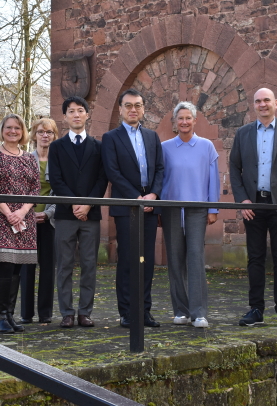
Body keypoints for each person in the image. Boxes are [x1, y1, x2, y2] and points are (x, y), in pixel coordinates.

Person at [229, 88, 277, 327]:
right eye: (258, 101)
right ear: (254, 105)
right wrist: (242, 200)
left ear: (275, 103)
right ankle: (256, 309)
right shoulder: (243, 134)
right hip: (253, 205)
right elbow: (234, 168)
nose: (262, 105)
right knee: (255, 258)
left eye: (266, 101)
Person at [101, 88, 164, 328]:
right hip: (127, 207)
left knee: (146, 261)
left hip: (150, 204)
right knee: (128, 260)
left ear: (143, 109)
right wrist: (137, 197)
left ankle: (144, 310)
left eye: (137, 105)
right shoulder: (111, 138)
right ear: (120, 109)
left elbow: (160, 168)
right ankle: (127, 311)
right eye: (128, 105)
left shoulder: (152, 136)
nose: (133, 109)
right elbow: (112, 173)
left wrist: (153, 195)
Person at [48, 96, 108, 328]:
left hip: (91, 215)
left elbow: (102, 178)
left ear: (87, 114)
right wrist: (74, 204)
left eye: (80, 110)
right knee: (64, 264)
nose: (76, 114)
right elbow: (56, 179)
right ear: (65, 117)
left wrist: (88, 205)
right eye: (71, 111)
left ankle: (85, 311)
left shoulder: (98, 146)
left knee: (89, 264)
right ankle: (66, 312)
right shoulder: (57, 146)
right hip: (65, 214)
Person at [160, 101, 219, 328]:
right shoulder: (165, 148)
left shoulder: (207, 147)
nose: (184, 122)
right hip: (172, 210)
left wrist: (212, 209)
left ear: (195, 120)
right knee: (175, 261)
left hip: (197, 210)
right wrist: (159, 210)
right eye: (180, 118)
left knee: (195, 258)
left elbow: (212, 180)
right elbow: (161, 180)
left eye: (188, 118)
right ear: (175, 122)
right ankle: (181, 310)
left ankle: (199, 312)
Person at [0, 114, 40, 334]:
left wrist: (22, 212)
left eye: (17, 128)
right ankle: (0, 317)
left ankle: (10, 315)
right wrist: (9, 214)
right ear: (2, 130)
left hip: (24, 218)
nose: (13, 131)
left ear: (23, 131)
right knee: (5, 264)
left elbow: (35, 190)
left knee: (17, 267)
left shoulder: (29, 159)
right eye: (8, 127)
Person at [19, 118, 59, 325]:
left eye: (50, 132)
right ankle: (26, 314)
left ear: (54, 136)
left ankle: (45, 313)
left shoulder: (59, 161)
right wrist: (28, 213)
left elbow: (60, 191)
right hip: (27, 220)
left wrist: (48, 214)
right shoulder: (25, 159)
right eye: (41, 132)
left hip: (50, 221)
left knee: (48, 267)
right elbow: (21, 190)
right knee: (27, 267)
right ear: (34, 135)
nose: (45, 136)